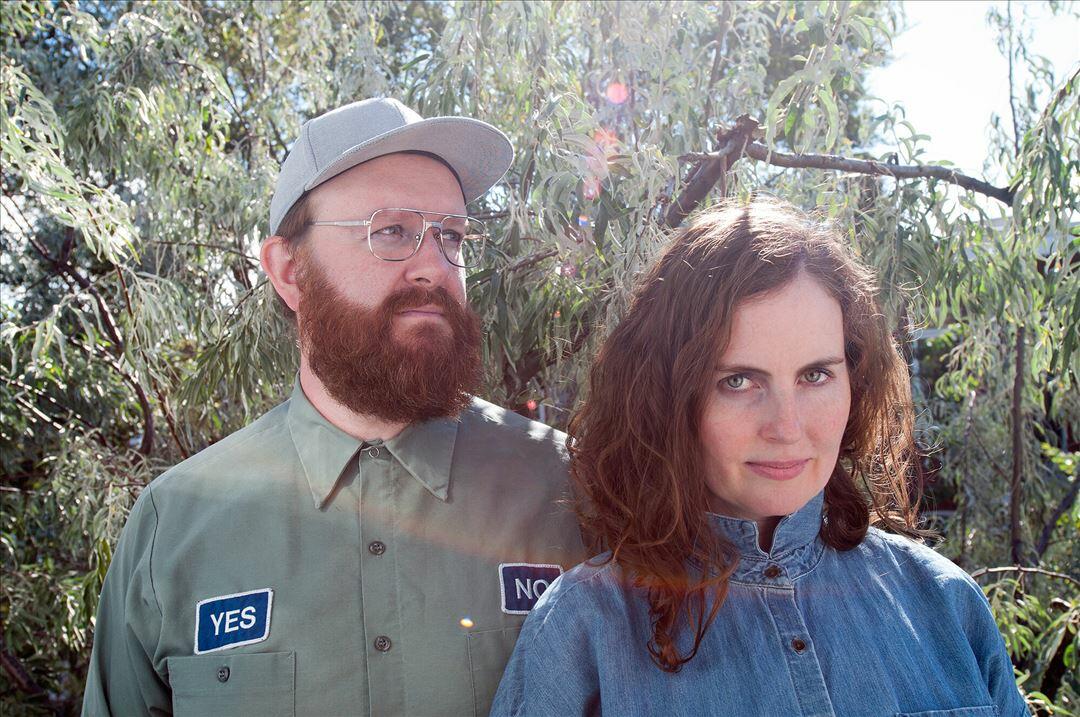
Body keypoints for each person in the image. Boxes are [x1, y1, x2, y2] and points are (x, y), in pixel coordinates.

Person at [82, 97, 585, 717]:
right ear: (290, 271)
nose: (435, 266)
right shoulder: (174, 526)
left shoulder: (573, 491)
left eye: (451, 235)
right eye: (391, 231)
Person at [491, 198, 1029, 717]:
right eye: (738, 380)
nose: (786, 427)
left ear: (855, 380)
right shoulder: (582, 630)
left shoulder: (946, 603)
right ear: (663, 398)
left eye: (815, 375)